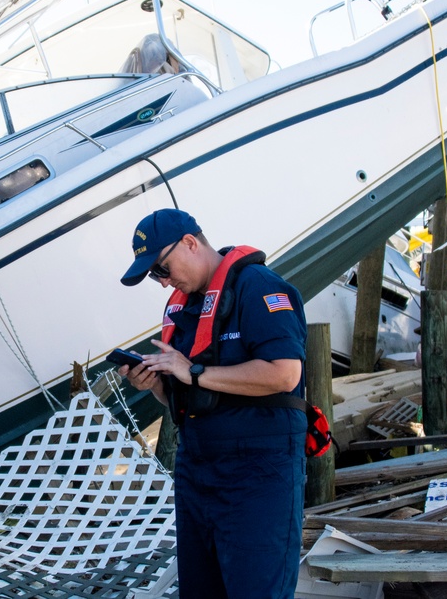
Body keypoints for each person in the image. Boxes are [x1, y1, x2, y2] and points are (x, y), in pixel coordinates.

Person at [118, 208, 308, 599]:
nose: (163, 281)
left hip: (258, 472)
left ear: (190, 243)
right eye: (156, 275)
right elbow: (183, 391)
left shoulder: (257, 287)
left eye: (163, 268)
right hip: (197, 470)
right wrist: (155, 384)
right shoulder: (184, 307)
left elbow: (285, 374)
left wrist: (196, 373)